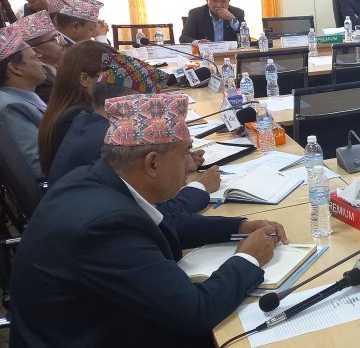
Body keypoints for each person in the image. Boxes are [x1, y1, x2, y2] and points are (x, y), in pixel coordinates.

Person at [10, 93, 288, 347]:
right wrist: (248, 258)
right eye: (185, 154)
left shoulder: (93, 178)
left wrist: (238, 226)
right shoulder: (104, 226)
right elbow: (196, 312)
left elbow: (165, 222)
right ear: (152, 163)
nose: (191, 165)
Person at [48, 53, 218, 220]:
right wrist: (199, 187)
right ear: (129, 102)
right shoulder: (109, 142)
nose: (155, 113)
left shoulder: (88, 121)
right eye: (151, 104)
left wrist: (174, 158)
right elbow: (155, 217)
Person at [37, 40, 117, 176]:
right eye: (111, 77)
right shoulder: (79, 118)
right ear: (84, 79)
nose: (118, 84)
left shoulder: (69, 110)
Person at [0, 27, 48, 181]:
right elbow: (39, 167)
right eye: (35, 58)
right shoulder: (9, 107)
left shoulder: (20, 97)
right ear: (15, 68)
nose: (43, 64)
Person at [11, 10, 67, 102]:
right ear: (36, 51)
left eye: (60, 36)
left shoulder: (60, 70)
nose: (64, 42)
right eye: (55, 38)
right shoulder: (42, 82)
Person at [180, 0, 246, 43]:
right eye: (214, 1)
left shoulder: (237, 13)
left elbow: (246, 39)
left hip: (230, 51)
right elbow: (183, 38)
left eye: (223, 1)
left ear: (229, 0)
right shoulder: (196, 14)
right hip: (205, 51)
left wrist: (232, 19)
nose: (219, 5)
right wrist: (198, 42)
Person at [46, 0, 110, 45]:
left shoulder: (54, 43)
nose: (92, 35)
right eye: (90, 29)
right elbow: (104, 56)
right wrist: (101, 37)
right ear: (75, 27)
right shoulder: (66, 48)